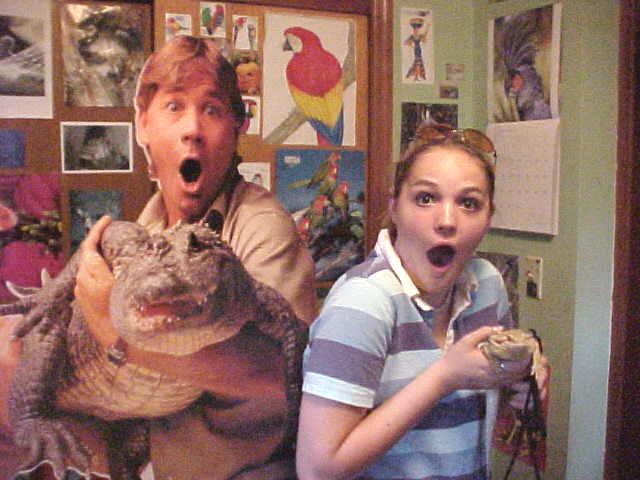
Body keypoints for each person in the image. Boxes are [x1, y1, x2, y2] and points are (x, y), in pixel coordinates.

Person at [0, 35, 316, 480]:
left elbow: (278, 372)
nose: (192, 129)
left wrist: (114, 332)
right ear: (143, 125)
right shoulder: (145, 228)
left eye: (212, 109)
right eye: (174, 106)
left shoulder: (258, 225)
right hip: (138, 431)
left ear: (236, 129)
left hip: (219, 461)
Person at [296, 127, 548, 480]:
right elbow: (317, 470)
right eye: (426, 198)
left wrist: (519, 383)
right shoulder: (363, 302)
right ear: (394, 208)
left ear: (488, 218)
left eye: (469, 203)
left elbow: (483, 405)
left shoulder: (488, 286)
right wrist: (443, 378)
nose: (446, 221)